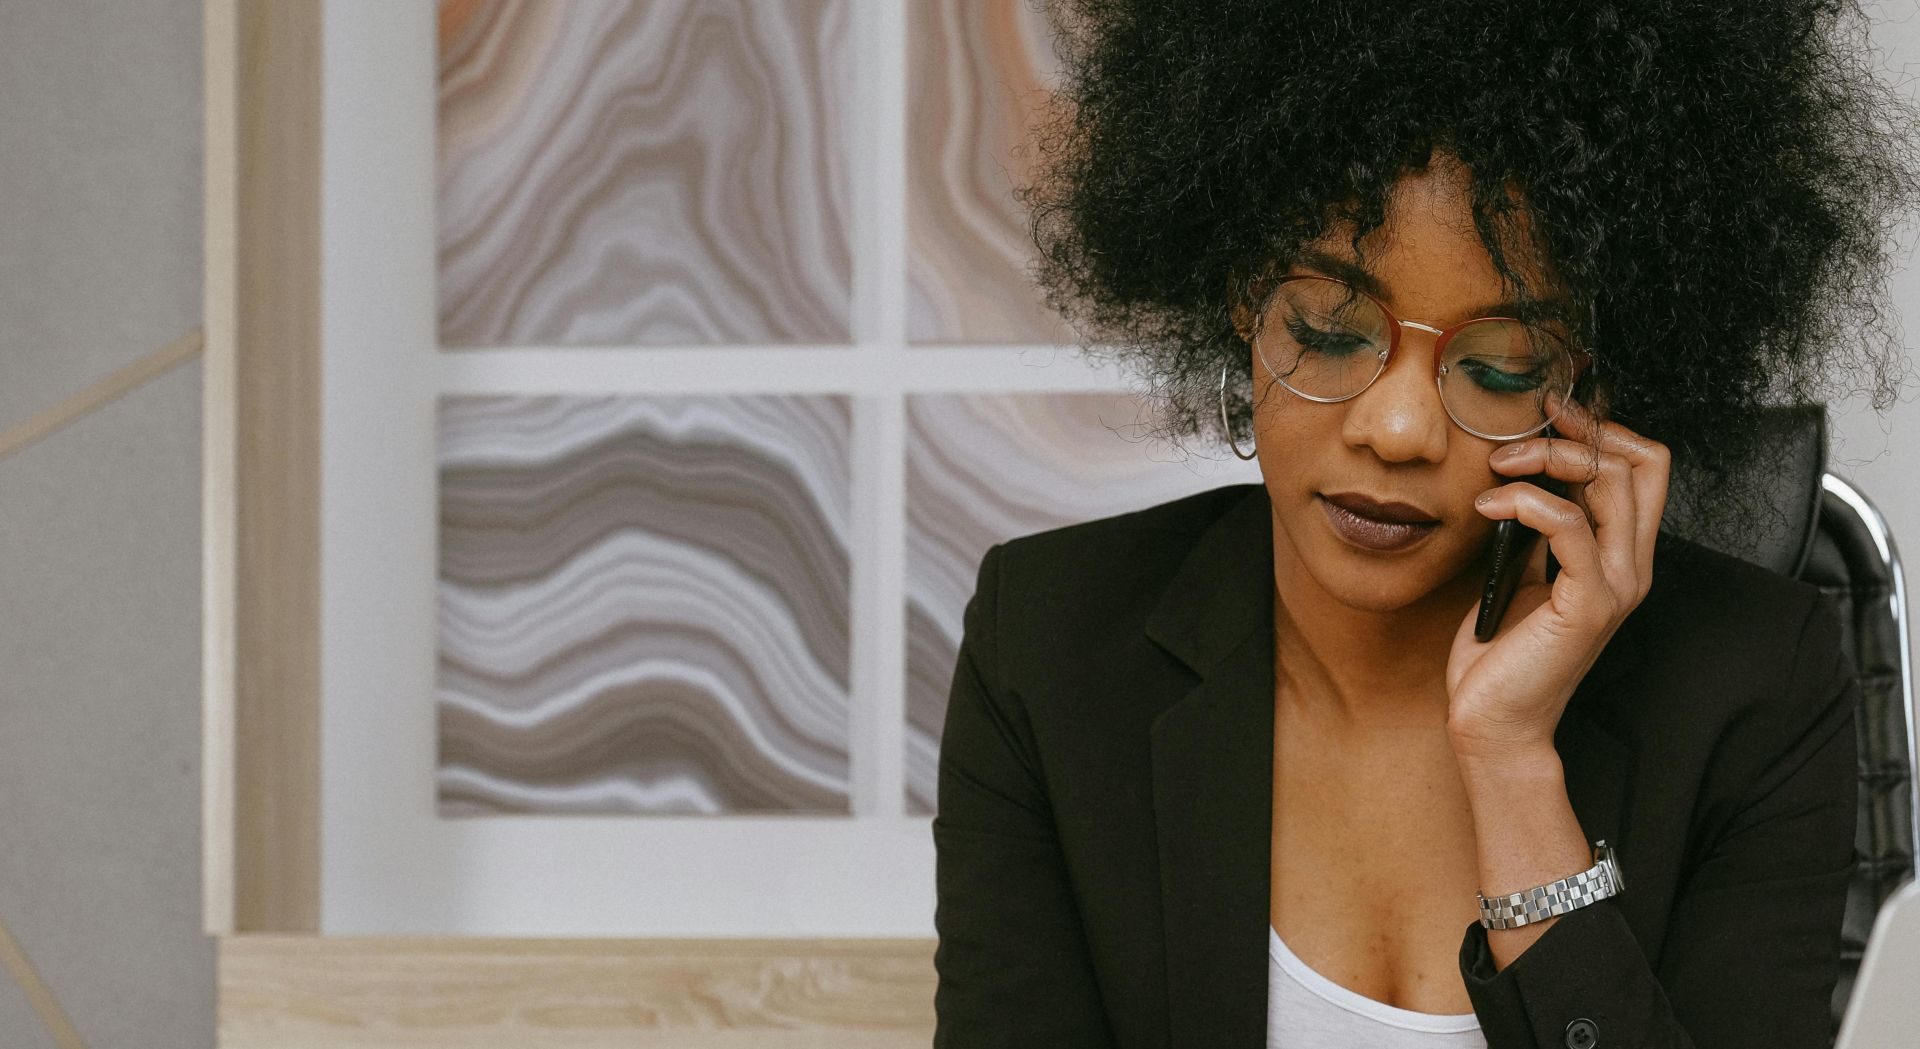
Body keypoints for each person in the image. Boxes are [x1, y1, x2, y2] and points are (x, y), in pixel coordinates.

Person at [930, 2, 1920, 1047]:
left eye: (1497, 364)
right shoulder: (1049, 646)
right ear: (1239, 298)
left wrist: (1511, 761)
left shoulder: (1753, 684)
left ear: (1586, 382)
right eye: (1327, 328)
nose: (1396, 427)